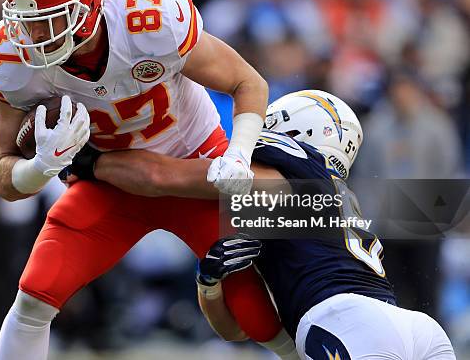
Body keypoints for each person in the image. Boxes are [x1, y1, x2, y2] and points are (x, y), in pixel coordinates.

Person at [0, 0, 296, 359]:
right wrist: (39, 167)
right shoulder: (7, 59)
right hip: (109, 182)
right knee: (35, 296)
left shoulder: (149, 16)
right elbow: (4, 177)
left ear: (88, 6)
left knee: (257, 310)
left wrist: (237, 154)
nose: (33, 37)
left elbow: (247, 81)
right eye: (26, 22)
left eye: (49, 22)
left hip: (194, 162)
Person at [84, 90, 456, 359]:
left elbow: (162, 176)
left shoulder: (290, 174)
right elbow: (237, 328)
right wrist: (209, 283)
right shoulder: (326, 198)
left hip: (345, 322)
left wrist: (90, 163)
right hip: (414, 326)